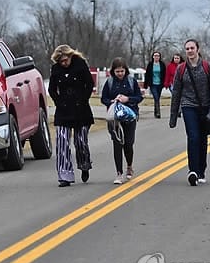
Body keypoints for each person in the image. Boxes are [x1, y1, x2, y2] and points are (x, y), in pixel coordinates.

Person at [169, 39, 210, 186]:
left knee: (203, 140)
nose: (189, 51)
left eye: (192, 48)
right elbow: (176, 93)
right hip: (188, 106)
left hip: (205, 107)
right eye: (187, 49)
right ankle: (193, 171)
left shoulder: (207, 67)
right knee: (193, 137)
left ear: (197, 49)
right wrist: (173, 117)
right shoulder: (181, 69)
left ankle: (201, 171)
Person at [48, 44, 94, 187]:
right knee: (62, 142)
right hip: (64, 110)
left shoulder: (80, 64)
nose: (64, 63)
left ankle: (84, 164)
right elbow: (52, 89)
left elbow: (89, 84)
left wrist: (83, 99)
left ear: (70, 56)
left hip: (81, 109)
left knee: (80, 142)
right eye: (61, 61)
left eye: (65, 60)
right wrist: (59, 102)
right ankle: (64, 175)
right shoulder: (56, 69)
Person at [101, 57, 143, 185]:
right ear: (113, 71)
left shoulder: (132, 82)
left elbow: (139, 97)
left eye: (122, 71)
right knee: (117, 143)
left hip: (130, 115)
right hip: (115, 118)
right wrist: (112, 101)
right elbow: (103, 98)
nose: (120, 74)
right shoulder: (109, 82)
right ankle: (118, 173)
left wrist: (127, 99)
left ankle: (129, 166)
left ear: (126, 70)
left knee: (128, 143)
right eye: (117, 71)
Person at [144, 51, 166, 118]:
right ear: (153, 57)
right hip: (152, 84)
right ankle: (158, 113)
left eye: (158, 56)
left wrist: (165, 83)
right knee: (156, 98)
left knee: (157, 98)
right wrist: (146, 84)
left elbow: (165, 74)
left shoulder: (162, 64)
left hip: (160, 84)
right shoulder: (150, 64)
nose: (156, 57)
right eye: (155, 56)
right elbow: (147, 74)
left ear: (159, 57)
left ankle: (155, 112)